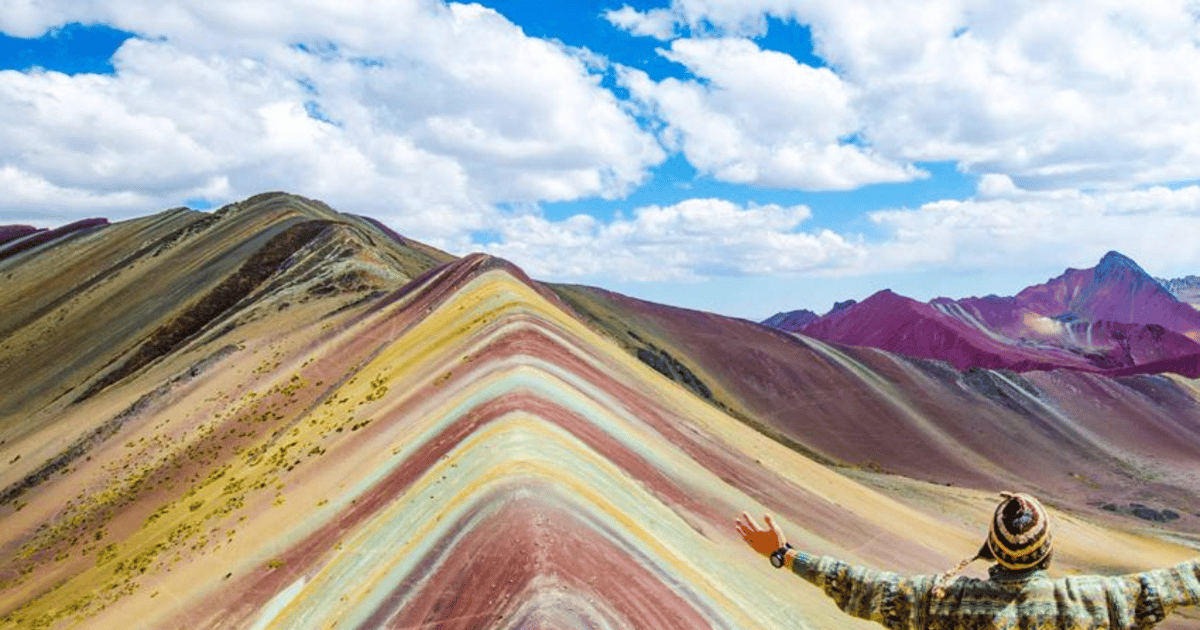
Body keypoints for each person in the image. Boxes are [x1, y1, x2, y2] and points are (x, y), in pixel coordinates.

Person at [736, 492, 1200, 629]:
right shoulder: (1088, 600)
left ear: (991, 548)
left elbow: (862, 585)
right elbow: (1171, 584)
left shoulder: (942, 602)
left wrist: (783, 553)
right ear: (1047, 551)